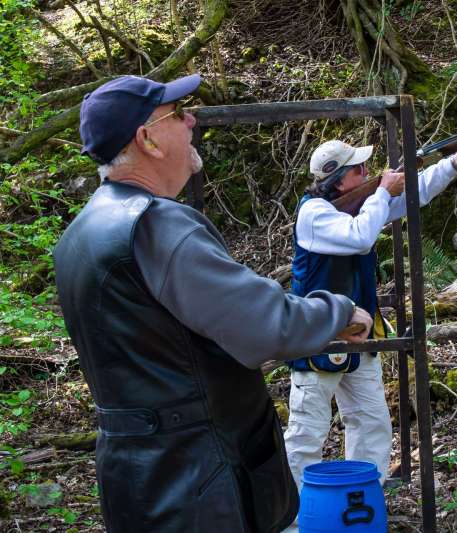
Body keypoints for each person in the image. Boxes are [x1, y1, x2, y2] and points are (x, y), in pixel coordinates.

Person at [53, 74, 373, 533]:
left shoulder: (79, 232)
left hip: (135, 477)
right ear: (148, 140)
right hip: (202, 479)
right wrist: (340, 311)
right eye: (177, 114)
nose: (192, 119)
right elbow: (264, 324)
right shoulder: (159, 226)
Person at [284, 135, 457, 492]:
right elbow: (360, 236)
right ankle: (298, 517)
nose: (367, 172)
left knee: (372, 423)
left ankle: (363, 503)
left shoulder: (360, 206)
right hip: (317, 335)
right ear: (338, 179)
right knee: (307, 433)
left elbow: (416, 193)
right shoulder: (314, 213)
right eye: (359, 169)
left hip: (360, 334)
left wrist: (455, 163)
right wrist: (381, 192)